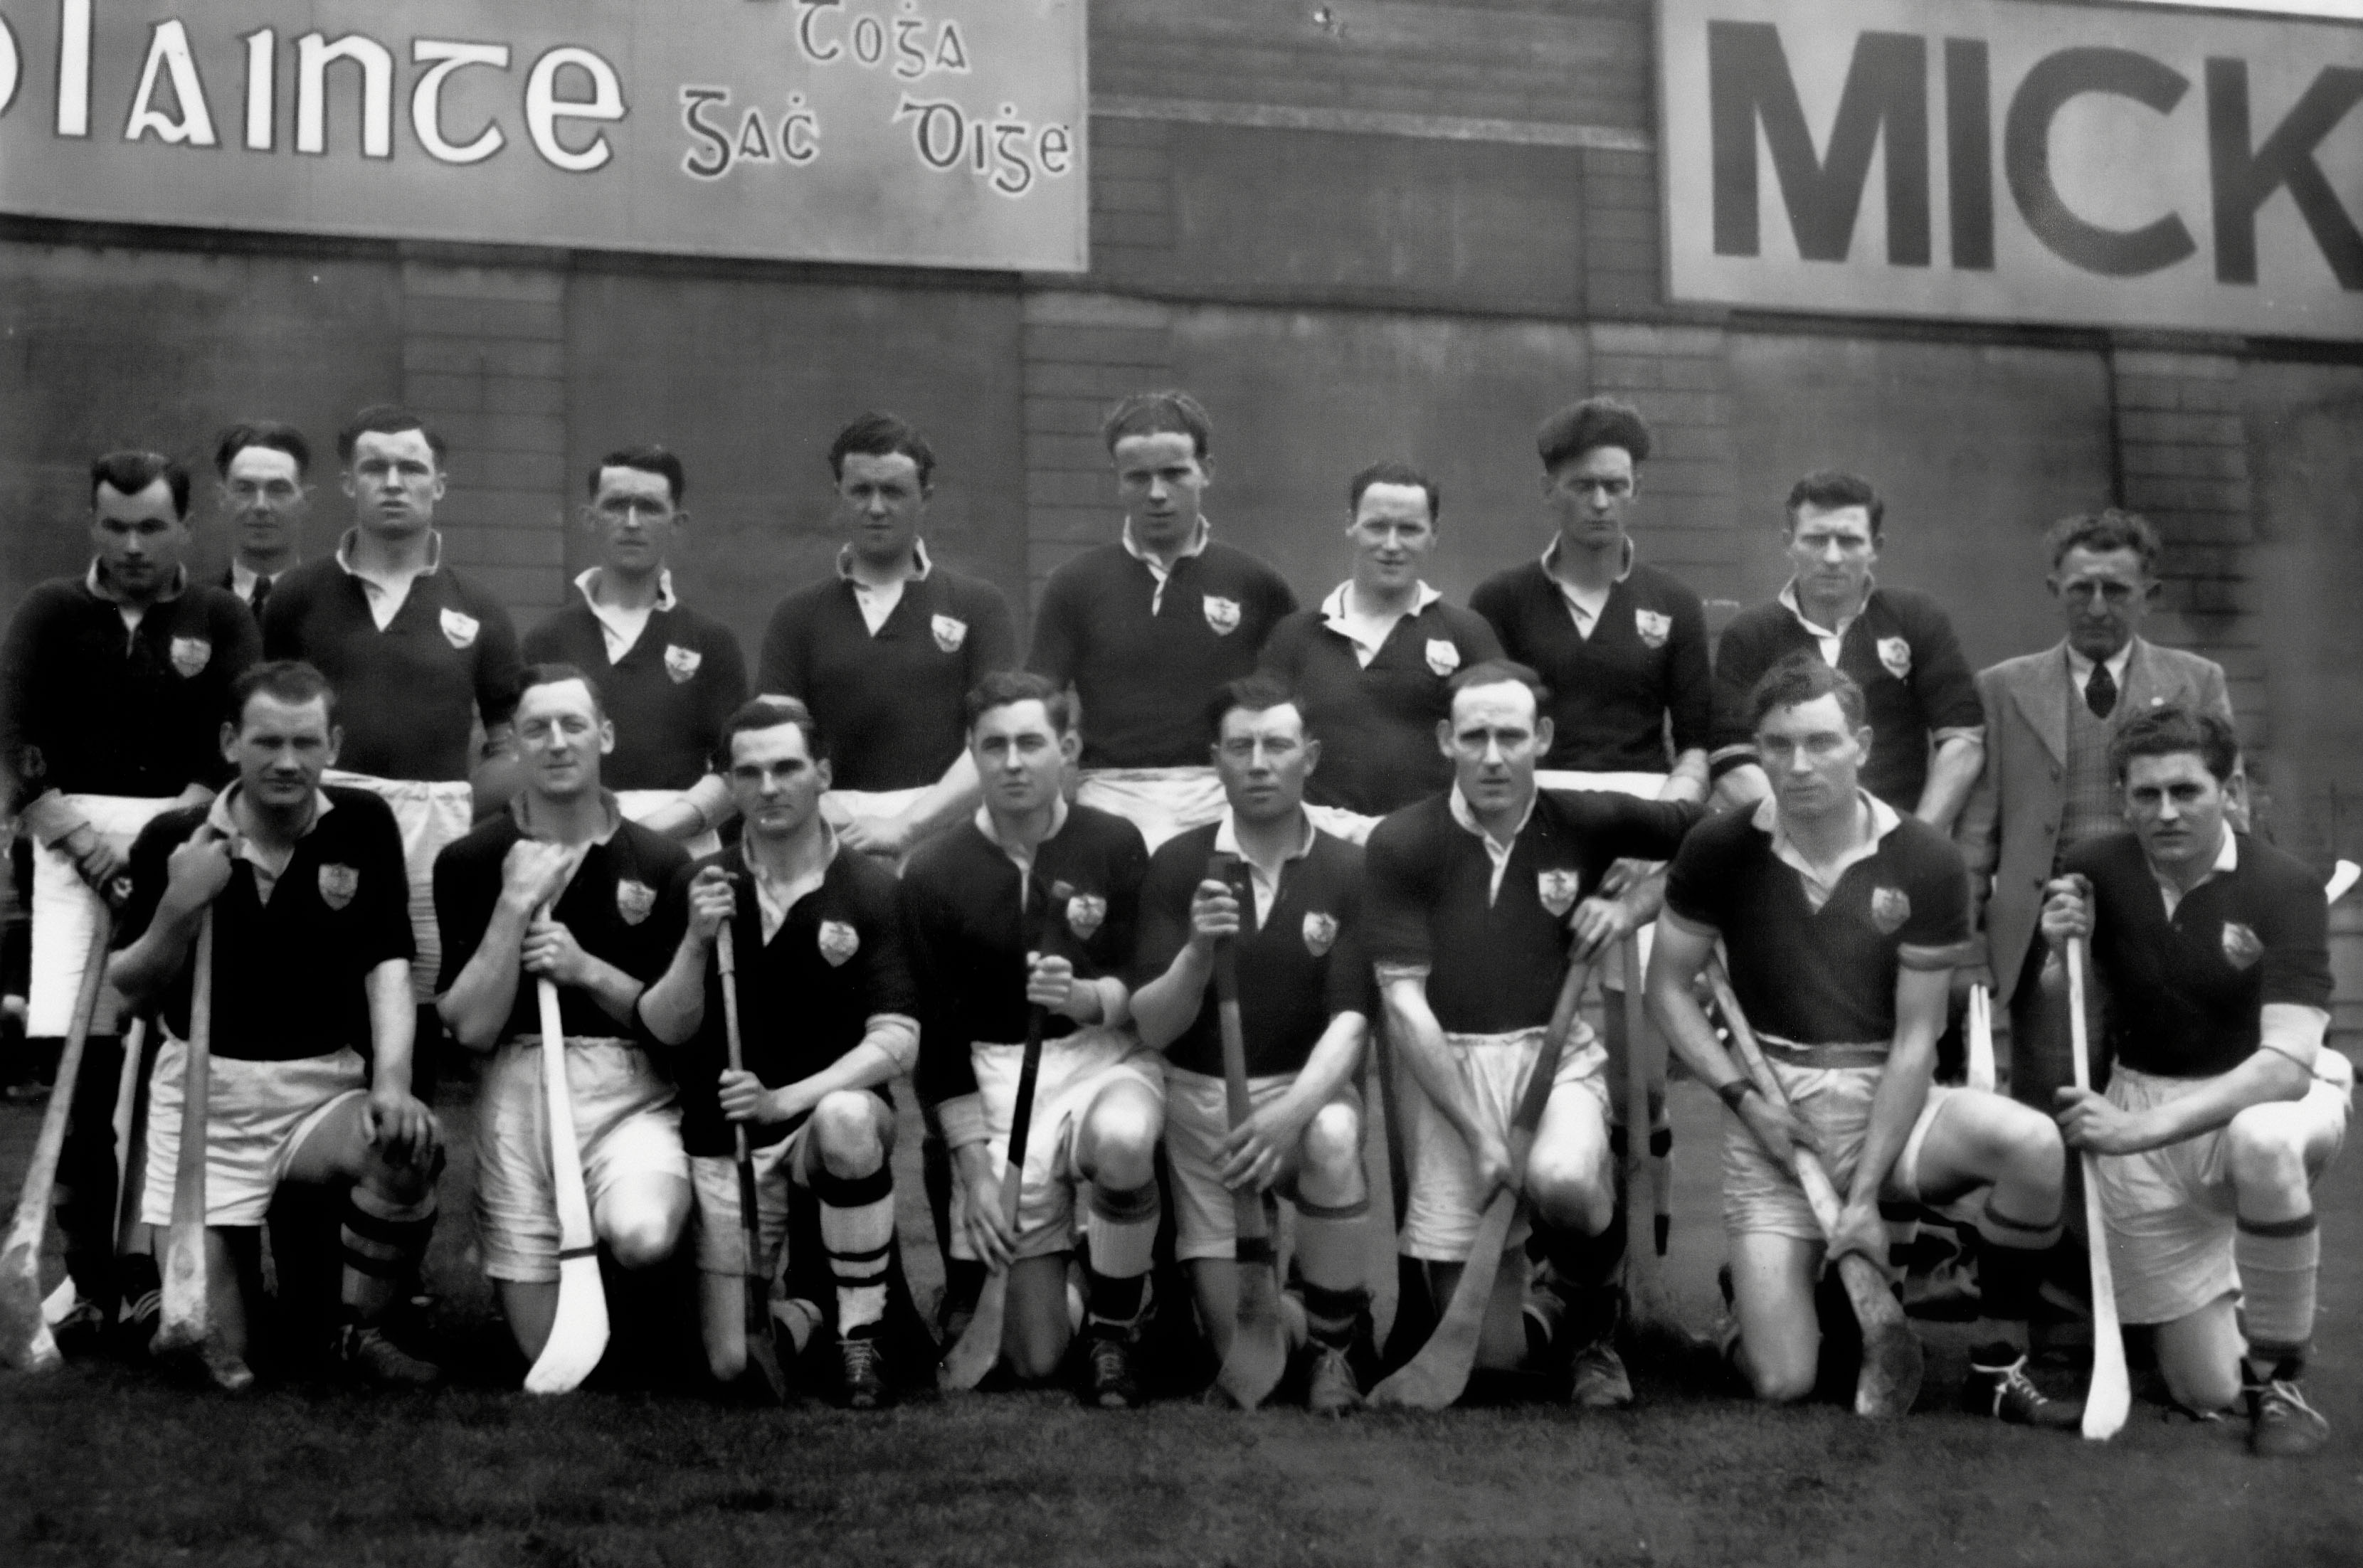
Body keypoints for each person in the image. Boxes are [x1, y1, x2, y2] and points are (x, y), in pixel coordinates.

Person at [1648, 654, 2080, 1423]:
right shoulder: (1719, 848)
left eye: (1820, 742)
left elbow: (1918, 1038)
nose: (1798, 764)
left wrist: (1865, 1194)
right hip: (1776, 1112)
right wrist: (1747, 1101)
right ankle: (1739, 1317)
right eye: (1777, 745)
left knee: (2036, 1144)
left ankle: (1995, 1360)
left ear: (1864, 744)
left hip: (1896, 1098)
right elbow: (1667, 988)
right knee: (1784, 1379)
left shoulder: (1926, 859)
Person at [1363, 660, 1701, 1406]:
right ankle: (1548, 1305)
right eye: (1475, 735)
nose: (1493, 754)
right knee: (1495, 1362)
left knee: (1565, 1179)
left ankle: (1594, 1329)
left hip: (1557, 1058)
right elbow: (1406, 1007)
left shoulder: (1584, 819)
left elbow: (1712, 836)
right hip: (1445, 1068)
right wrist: (1479, 1136)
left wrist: (1635, 904)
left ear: (1540, 738)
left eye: (1510, 735)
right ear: (1446, 738)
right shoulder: (1402, 842)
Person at [107, 662, 441, 1389]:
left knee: (406, 1146)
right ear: (231, 742)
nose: (287, 761)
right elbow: (128, 991)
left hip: (319, 1086)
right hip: (203, 1097)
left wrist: (391, 1080)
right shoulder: (177, 835)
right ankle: (168, 1287)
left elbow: (389, 960)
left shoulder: (364, 822)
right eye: (266, 741)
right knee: (221, 1355)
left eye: (305, 741)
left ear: (333, 743)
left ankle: (357, 1330)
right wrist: (177, 908)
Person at [0, 449, 260, 1346]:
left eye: (152, 526)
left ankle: (150, 1268)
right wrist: (88, 851)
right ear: (92, 525)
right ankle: (96, 1280)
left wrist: (153, 857)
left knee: (162, 1072)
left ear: (185, 526)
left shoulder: (220, 614)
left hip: (184, 847)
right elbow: (16, 744)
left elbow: (231, 748)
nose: (133, 544)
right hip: (69, 850)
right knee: (82, 1081)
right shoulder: (49, 611)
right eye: (115, 525)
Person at [2038, 704, 2346, 1456]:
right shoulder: (2096, 863)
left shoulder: (2286, 885)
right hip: (2144, 1091)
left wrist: (2131, 1131)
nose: (2166, 811)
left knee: (2262, 1141)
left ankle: (2280, 1382)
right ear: (2122, 797)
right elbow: (2061, 992)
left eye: (2187, 790)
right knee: (2204, 1389)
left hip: (2273, 1094)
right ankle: (2227, 1304)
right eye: (2146, 794)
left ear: (2230, 787)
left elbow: (2283, 1066)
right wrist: (2061, 946)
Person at [1469, 398, 1713, 1257]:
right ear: (1551, 492)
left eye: (1615, 486)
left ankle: (1645, 1272)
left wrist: (1660, 829)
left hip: (1642, 842)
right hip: (1541, 837)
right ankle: (1548, 1259)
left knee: (1640, 1081)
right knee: (1540, 1054)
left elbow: (1701, 745)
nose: (1600, 503)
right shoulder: (1501, 597)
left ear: (1635, 491)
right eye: (1582, 486)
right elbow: (1488, 734)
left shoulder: (1673, 602)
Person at [640, 696, 922, 1407]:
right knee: (732, 1365)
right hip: (724, 1135)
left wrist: (788, 1098)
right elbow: (666, 1027)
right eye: (750, 771)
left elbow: (898, 1040)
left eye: (788, 766)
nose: (770, 786)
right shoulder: (699, 884)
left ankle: (863, 1338)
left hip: (816, 1122)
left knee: (850, 1119)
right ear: (729, 786)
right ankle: (806, 1312)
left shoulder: (873, 887)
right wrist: (696, 940)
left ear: (822, 772)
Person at [899, 672, 1161, 1406]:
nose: (1012, 761)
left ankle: (1117, 1323)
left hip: (1101, 1059)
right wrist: (975, 1168)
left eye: (1030, 743)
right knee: (1037, 1358)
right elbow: (938, 1039)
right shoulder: (932, 872)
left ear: (1067, 748)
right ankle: (1085, 1271)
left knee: (1124, 1136)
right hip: (994, 1080)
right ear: (972, 756)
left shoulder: (1115, 842)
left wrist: (1086, 996)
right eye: (994, 746)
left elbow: (1145, 982)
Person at [434, 665, 692, 1372]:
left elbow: (672, 1024)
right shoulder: (471, 859)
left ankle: (663, 1286)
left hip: (629, 1089)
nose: (556, 741)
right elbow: (470, 1028)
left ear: (603, 734)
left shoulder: (662, 861)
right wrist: (513, 909)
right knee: (547, 1354)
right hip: (516, 1088)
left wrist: (583, 968)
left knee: (641, 1232)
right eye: (537, 727)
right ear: (513, 742)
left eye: (573, 723)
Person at [263, 406, 525, 1098]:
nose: (393, 481)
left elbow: (508, 745)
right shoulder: (296, 595)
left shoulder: (481, 608)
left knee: (412, 1007)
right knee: (310, 995)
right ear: (349, 481)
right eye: (376, 466)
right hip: (315, 827)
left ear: (440, 483)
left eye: (411, 467)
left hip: (430, 839)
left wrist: (466, 802)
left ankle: (402, 1188)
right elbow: (262, 715)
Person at [1130, 677, 1374, 1412]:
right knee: (1242, 1344)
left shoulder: (1349, 868)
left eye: (1277, 744)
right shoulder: (1177, 863)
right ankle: (1323, 1306)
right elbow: (1153, 1026)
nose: (1260, 762)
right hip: (1203, 1111)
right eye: (1242, 746)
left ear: (1311, 755)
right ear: (1217, 759)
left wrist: (1287, 1117)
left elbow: (1353, 1023)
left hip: (1306, 1094)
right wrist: (1198, 954)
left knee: (1335, 1134)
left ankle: (1336, 1349)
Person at [1958, 509, 2236, 1128]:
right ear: (2054, 590)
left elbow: (2228, 815)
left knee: (2164, 1088)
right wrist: (1970, 949)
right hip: (2051, 928)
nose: (2097, 604)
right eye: (2081, 588)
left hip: (2165, 926)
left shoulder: (2196, 682)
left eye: (2116, 589)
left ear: (2148, 596)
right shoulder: (2003, 689)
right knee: (2055, 1094)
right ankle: (2057, 1225)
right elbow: (1978, 832)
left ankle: (2144, 1223)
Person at [1028, 391, 1297, 852]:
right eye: (1138, 477)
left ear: (1206, 471)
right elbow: (1037, 704)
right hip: (1106, 800)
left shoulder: (1256, 583)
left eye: (1174, 474)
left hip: (1224, 799)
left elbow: (1295, 704)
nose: (1156, 494)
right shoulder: (1074, 584)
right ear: (1117, 481)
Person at [756, 413, 1017, 859]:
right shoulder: (797, 615)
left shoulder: (979, 606)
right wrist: (843, 825)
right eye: (861, 491)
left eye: (893, 491)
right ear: (838, 494)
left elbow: (996, 738)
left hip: (949, 835)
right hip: (832, 838)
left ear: (926, 497)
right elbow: (773, 742)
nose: (876, 508)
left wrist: (904, 827)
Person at [1708, 470, 1984, 829]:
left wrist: (1916, 841)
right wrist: (1805, 838)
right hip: (1782, 847)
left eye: (1850, 541)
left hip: (1898, 843)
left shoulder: (1915, 619)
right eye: (1817, 539)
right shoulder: (1749, 634)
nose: (1833, 556)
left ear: (1876, 547)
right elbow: (1731, 761)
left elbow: (1964, 740)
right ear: (1788, 543)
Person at [1254, 462, 1501, 843]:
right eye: (1377, 526)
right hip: (1314, 846)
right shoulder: (1294, 636)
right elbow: (1264, 744)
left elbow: (1497, 747)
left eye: (1409, 529)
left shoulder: (1468, 634)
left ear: (1433, 534)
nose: (1391, 545)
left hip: (1429, 844)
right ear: (1351, 524)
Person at [522, 446, 745, 851]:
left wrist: (648, 835)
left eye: (649, 507)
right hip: (570, 846)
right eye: (615, 506)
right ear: (589, 518)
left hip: (682, 852)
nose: (630, 522)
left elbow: (736, 768)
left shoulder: (712, 642)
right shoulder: (545, 640)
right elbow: (520, 757)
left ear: (677, 523)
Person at [211, 423, 313, 620]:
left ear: (305, 502)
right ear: (222, 499)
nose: (261, 506)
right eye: (245, 489)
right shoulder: (197, 607)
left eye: (278, 489)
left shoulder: (335, 607)